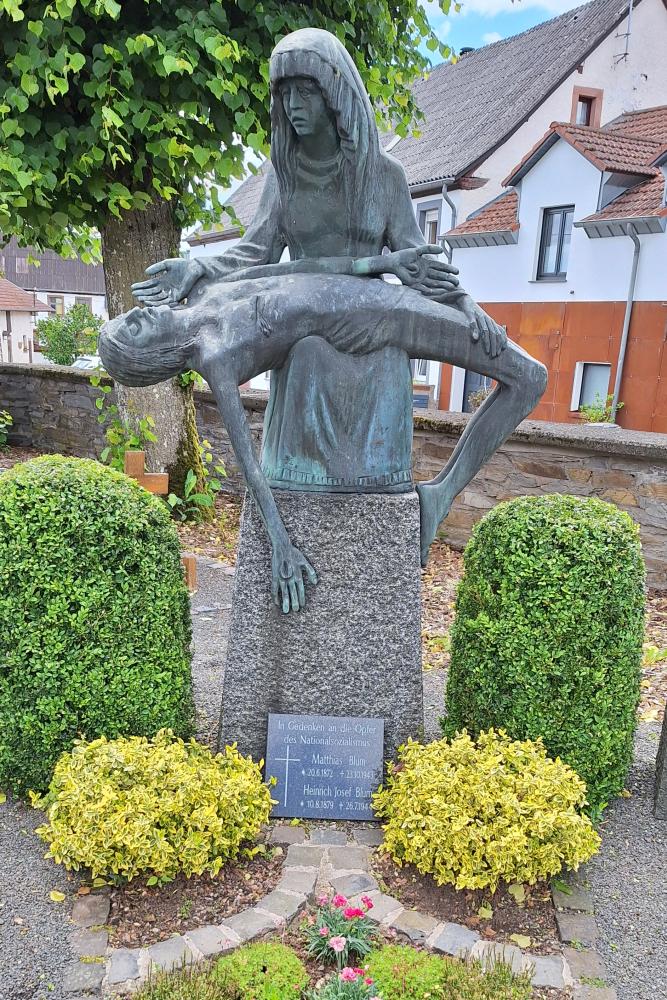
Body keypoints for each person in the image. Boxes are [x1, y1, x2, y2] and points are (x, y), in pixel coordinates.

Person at [100, 246, 547, 614]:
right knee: (530, 377)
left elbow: (297, 269)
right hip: (375, 324)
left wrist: (381, 265)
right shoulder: (217, 358)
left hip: (375, 289)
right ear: (149, 358)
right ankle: (441, 494)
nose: (142, 313)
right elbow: (253, 472)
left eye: (130, 316)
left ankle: (441, 492)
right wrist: (281, 545)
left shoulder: (204, 291)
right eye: (134, 328)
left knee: (521, 369)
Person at [131, 27, 478, 498]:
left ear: (335, 93)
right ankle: (301, 484)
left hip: (371, 327)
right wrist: (200, 268)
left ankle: (382, 490)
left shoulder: (383, 175)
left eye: (306, 91)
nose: (294, 104)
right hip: (301, 325)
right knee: (310, 353)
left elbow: (415, 263)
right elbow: (255, 254)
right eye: (285, 92)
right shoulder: (284, 176)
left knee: (384, 360)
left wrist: (466, 306)